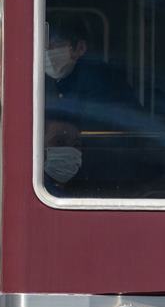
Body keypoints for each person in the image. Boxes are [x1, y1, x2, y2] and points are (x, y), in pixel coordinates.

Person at [41, 16, 133, 193]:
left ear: (80, 48)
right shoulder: (37, 80)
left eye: (56, 44)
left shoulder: (105, 83)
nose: (47, 51)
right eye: (44, 46)